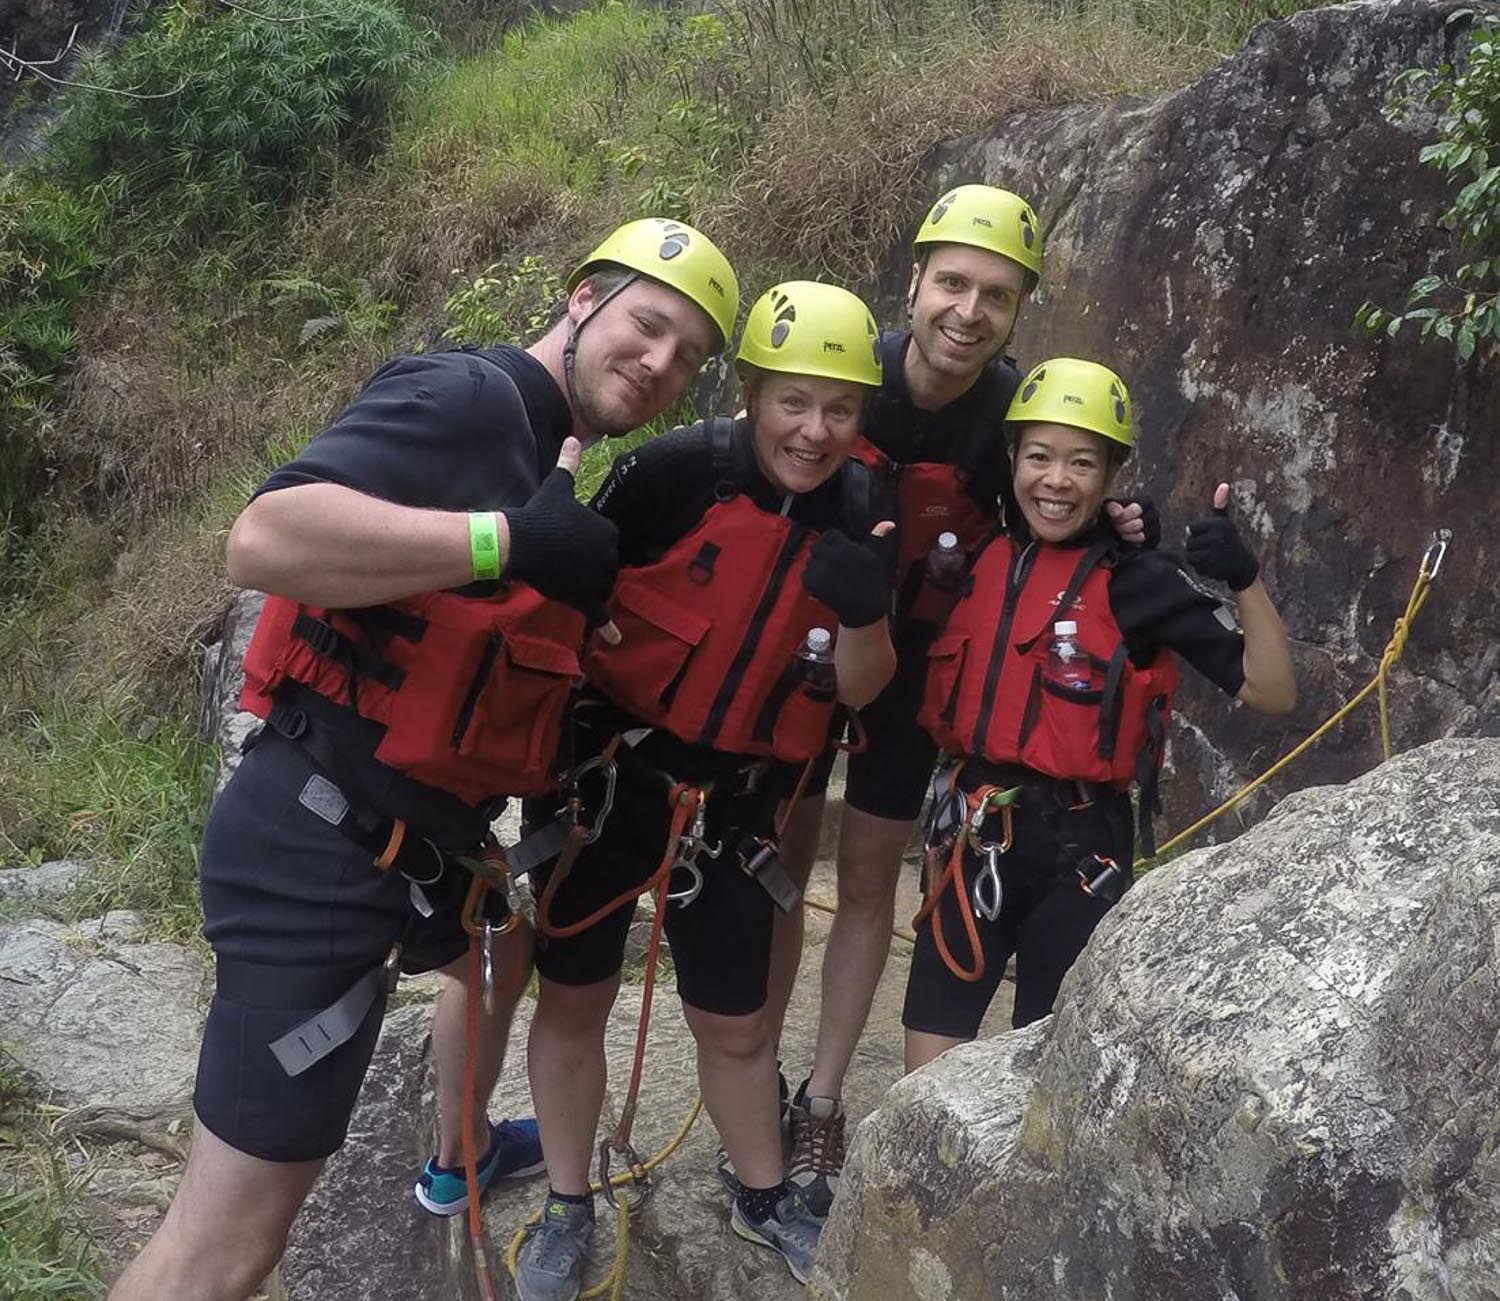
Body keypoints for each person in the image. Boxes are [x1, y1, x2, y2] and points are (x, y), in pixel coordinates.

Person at [107, 218, 739, 1301]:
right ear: (584, 298)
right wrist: (507, 541)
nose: (658, 362)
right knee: (226, 1247)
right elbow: (264, 538)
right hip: (316, 856)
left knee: (503, 950)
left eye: (686, 356)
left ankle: (464, 1147)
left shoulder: (544, 449)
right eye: (647, 324)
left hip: (407, 848)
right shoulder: (470, 399)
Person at [760, 184, 1154, 1219]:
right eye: (954, 283)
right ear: (917, 280)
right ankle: (758, 1068)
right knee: (779, 871)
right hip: (799, 653)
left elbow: (1059, 504)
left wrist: (1131, 529)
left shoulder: (1012, 414)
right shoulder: (849, 370)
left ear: (1019, 309)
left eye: (997, 294)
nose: (969, 312)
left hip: (909, 676)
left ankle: (823, 1097)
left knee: (865, 881)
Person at [511, 281, 897, 1299]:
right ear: (752, 392)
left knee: (735, 1023)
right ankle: (567, 1201)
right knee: (575, 997)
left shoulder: (865, 510)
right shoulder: (673, 474)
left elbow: (862, 690)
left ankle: (761, 1192)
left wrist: (866, 616)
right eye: (793, 401)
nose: (814, 431)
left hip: (733, 806)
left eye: (841, 409)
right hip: (609, 783)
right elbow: (564, 612)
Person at [903, 357, 1297, 1067]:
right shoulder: (973, 557)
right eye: (1039, 457)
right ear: (1012, 459)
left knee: (1045, 1071)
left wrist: (1244, 578)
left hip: (1078, 853)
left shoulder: (1137, 580)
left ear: (1111, 474)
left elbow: (1273, 691)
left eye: (1082, 462)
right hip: (970, 834)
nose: (1056, 480)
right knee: (925, 1066)